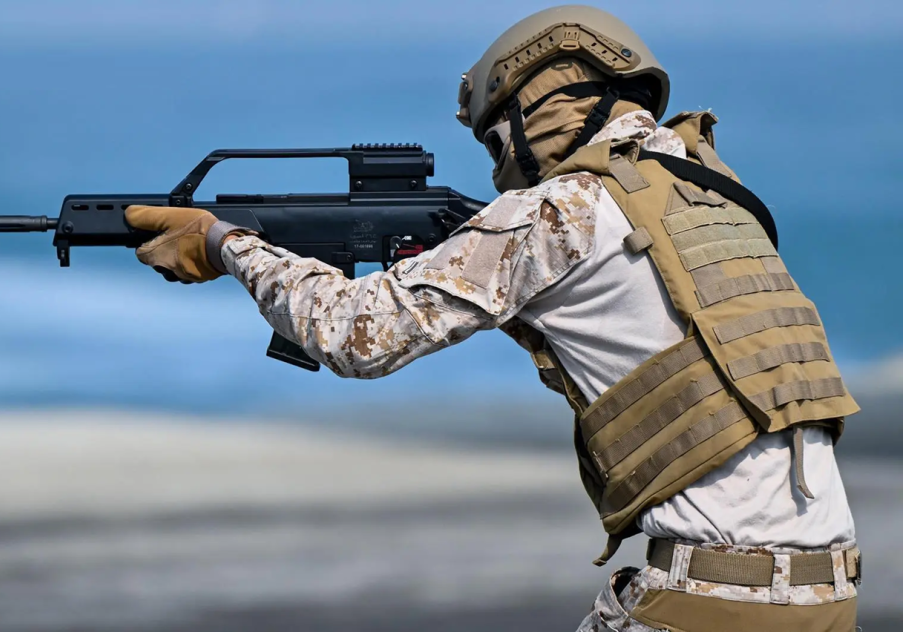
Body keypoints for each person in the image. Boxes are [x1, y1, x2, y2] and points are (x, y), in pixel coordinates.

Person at [124, 6, 861, 631]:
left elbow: (352, 335)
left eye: (495, 139)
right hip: (828, 595)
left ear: (533, 107)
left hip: (707, 599)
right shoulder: (721, 199)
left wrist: (225, 243)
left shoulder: (563, 209)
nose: (495, 166)